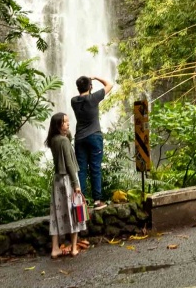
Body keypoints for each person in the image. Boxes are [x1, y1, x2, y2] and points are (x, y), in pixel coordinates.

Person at [45, 112, 87, 258]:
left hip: (57, 181)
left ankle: (55, 248)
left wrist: (66, 133)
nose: (68, 124)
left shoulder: (53, 140)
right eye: (65, 122)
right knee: (75, 211)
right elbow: (69, 164)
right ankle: (74, 247)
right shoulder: (64, 141)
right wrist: (76, 184)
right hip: (68, 180)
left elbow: (67, 137)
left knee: (57, 214)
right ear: (58, 125)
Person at [71, 75, 115, 210]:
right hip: (94, 137)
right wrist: (95, 78)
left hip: (79, 139)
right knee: (95, 168)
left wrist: (89, 83)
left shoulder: (73, 101)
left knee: (81, 170)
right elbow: (110, 84)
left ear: (78, 87)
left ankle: (81, 201)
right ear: (90, 87)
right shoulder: (93, 98)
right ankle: (97, 200)